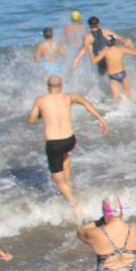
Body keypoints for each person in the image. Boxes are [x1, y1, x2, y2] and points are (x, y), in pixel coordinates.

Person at [27, 77, 108, 217]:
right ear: (61, 86)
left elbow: (31, 120)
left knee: (57, 178)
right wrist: (100, 119)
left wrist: (41, 115)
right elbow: (85, 102)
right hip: (70, 140)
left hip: (54, 143)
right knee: (64, 155)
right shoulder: (68, 97)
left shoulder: (41, 100)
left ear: (48, 87)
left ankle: (74, 203)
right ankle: (68, 183)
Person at [90, 35, 136, 100]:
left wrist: (92, 50)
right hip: (122, 74)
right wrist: (131, 45)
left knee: (116, 97)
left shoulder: (105, 51)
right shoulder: (121, 49)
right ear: (116, 42)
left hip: (113, 76)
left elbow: (94, 61)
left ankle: (116, 109)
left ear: (107, 43)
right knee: (128, 94)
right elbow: (135, 54)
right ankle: (127, 104)